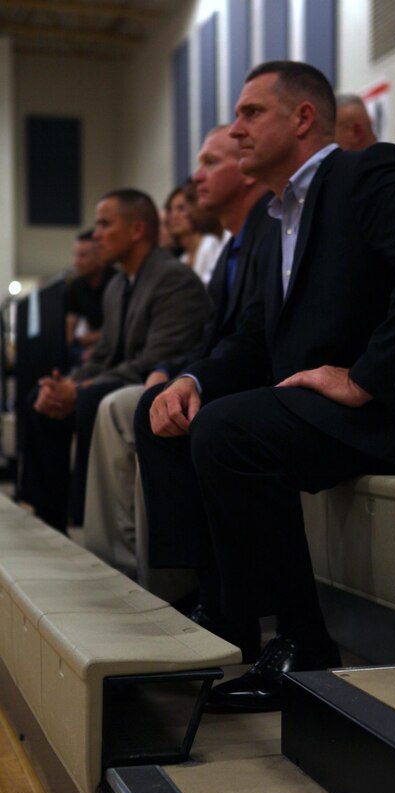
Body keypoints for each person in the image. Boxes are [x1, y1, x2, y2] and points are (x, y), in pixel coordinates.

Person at [143, 60, 395, 712]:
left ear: (302, 118)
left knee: (228, 432)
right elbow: (249, 343)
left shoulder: (364, 173)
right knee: (176, 413)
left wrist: (366, 377)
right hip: (332, 413)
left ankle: (302, 645)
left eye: (250, 113)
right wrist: (189, 379)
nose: (236, 129)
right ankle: (228, 621)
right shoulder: (275, 221)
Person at [84, 126, 272, 594]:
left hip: (256, 378)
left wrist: (186, 377)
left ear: (247, 172)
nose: (195, 176)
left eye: (210, 162)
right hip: (222, 370)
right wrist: (174, 372)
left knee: (145, 406)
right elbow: (211, 337)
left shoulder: (268, 234)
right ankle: (116, 564)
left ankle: (169, 585)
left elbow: (253, 337)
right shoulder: (233, 245)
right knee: (134, 400)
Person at [19, 188, 210, 533]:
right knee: (39, 397)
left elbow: (158, 358)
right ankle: (48, 520)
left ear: (136, 230)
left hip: (161, 379)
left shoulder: (173, 279)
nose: (96, 235)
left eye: (105, 224)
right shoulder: (117, 284)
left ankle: (87, 524)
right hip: (122, 378)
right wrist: (67, 384)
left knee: (92, 398)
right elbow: (105, 354)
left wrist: (81, 389)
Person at [64, 229, 116, 365]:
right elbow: (71, 320)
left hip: (112, 347)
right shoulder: (76, 285)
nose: (76, 262)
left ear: (99, 256)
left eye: (83, 256)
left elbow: (115, 331)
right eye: (75, 256)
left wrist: (81, 341)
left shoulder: (116, 282)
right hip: (89, 347)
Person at [165, 181, 228, 285]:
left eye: (181, 208)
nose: (173, 216)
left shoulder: (209, 244)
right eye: (170, 210)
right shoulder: (183, 259)